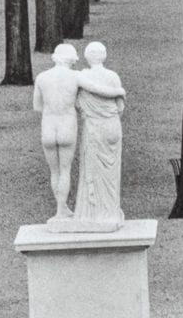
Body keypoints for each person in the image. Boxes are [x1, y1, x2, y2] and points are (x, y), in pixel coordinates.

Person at [33, 43, 126, 223]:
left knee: (55, 170)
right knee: (66, 170)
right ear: (71, 59)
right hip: (66, 126)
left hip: (48, 126)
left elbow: (37, 107)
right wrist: (119, 92)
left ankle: (61, 211)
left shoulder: (42, 77)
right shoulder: (75, 76)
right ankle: (62, 210)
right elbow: (98, 90)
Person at [74, 42, 125, 230]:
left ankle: (92, 214)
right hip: (112, 126)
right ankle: (111, 211)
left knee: (93, 170)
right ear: (104, 56)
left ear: (87, 57)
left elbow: (78, 104)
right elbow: (120, 107)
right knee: (112, 172)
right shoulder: (113, 77)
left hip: (94, 127)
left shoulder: (82, 76)